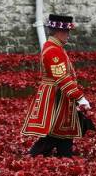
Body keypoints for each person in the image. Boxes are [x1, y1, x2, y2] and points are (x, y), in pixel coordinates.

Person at [22, 14, 91, 157]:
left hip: (60, 97)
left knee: (62, 134)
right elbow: (62, 78)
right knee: (54, 134)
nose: (68, 35)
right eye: (66, 32)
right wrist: (80, 98)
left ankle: (64, 157)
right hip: (55, 98)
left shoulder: (56, 47)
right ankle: (35, 159)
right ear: (57, 32)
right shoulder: (53, 50)